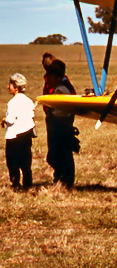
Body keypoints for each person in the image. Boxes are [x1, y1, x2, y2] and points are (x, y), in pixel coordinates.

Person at [42, 60, 77, 188]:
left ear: (56, 77)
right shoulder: (62, 86)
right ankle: (62, 179)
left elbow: (61, 110)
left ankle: (64, 179)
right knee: (62, 154)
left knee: (56, 155)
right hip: (61, 124)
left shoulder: (61, 89)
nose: (47, 78)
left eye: (50, 76)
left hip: (59, 125)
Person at [4, 73, 36, 190]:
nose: (8, 87)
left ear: (16, 87)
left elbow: (11, 120)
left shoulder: (12, 103)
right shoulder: (29, 101)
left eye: (10, 85)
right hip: (26, 136)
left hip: (14, 137)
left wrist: (4, 120)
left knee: (12, 163)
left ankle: (16, 184)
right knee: (26, 163)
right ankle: (28, 184)